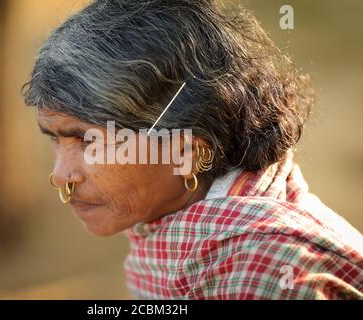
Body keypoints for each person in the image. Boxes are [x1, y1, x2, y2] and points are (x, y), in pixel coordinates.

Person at [23, 0, 363, 299]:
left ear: (186, 153)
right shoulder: (174, 231)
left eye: (90, 141)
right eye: (54, 138)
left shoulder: (261, 270)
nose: (59, 176)